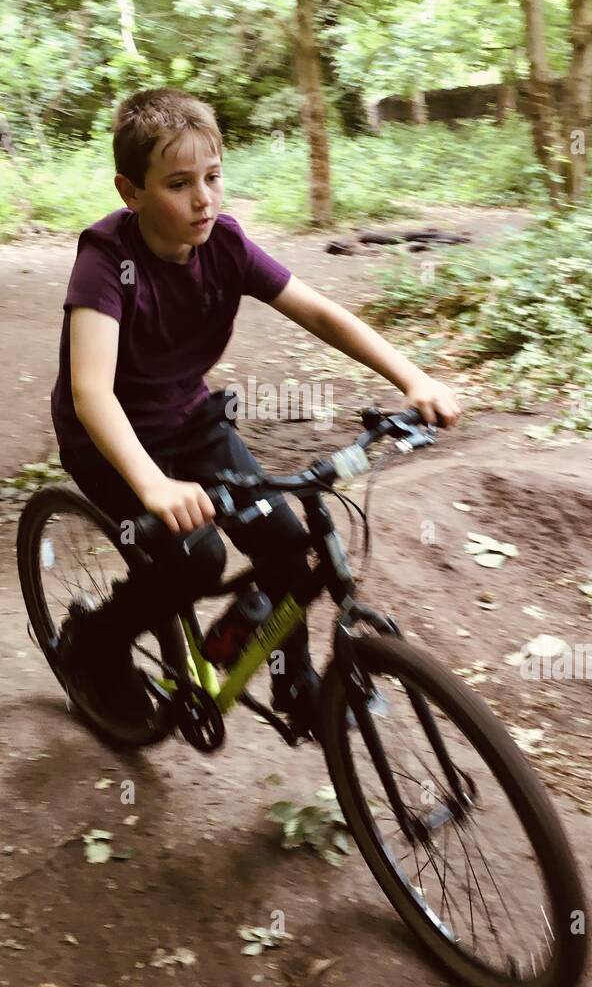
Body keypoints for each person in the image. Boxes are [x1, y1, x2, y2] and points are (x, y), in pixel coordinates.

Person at [50, 86, 460, 735]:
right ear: (131, 192)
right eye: (178, 184)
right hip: (110, 442)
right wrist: (153, 485)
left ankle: (285, 679)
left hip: (190, 421)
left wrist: (412, 378)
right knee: (196, 558)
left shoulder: (225, 246)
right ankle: (92, 646)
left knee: (288, 546)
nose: (203, 198)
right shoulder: (106, 262)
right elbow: (90, 392)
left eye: (212, 178)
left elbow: (320, 312)